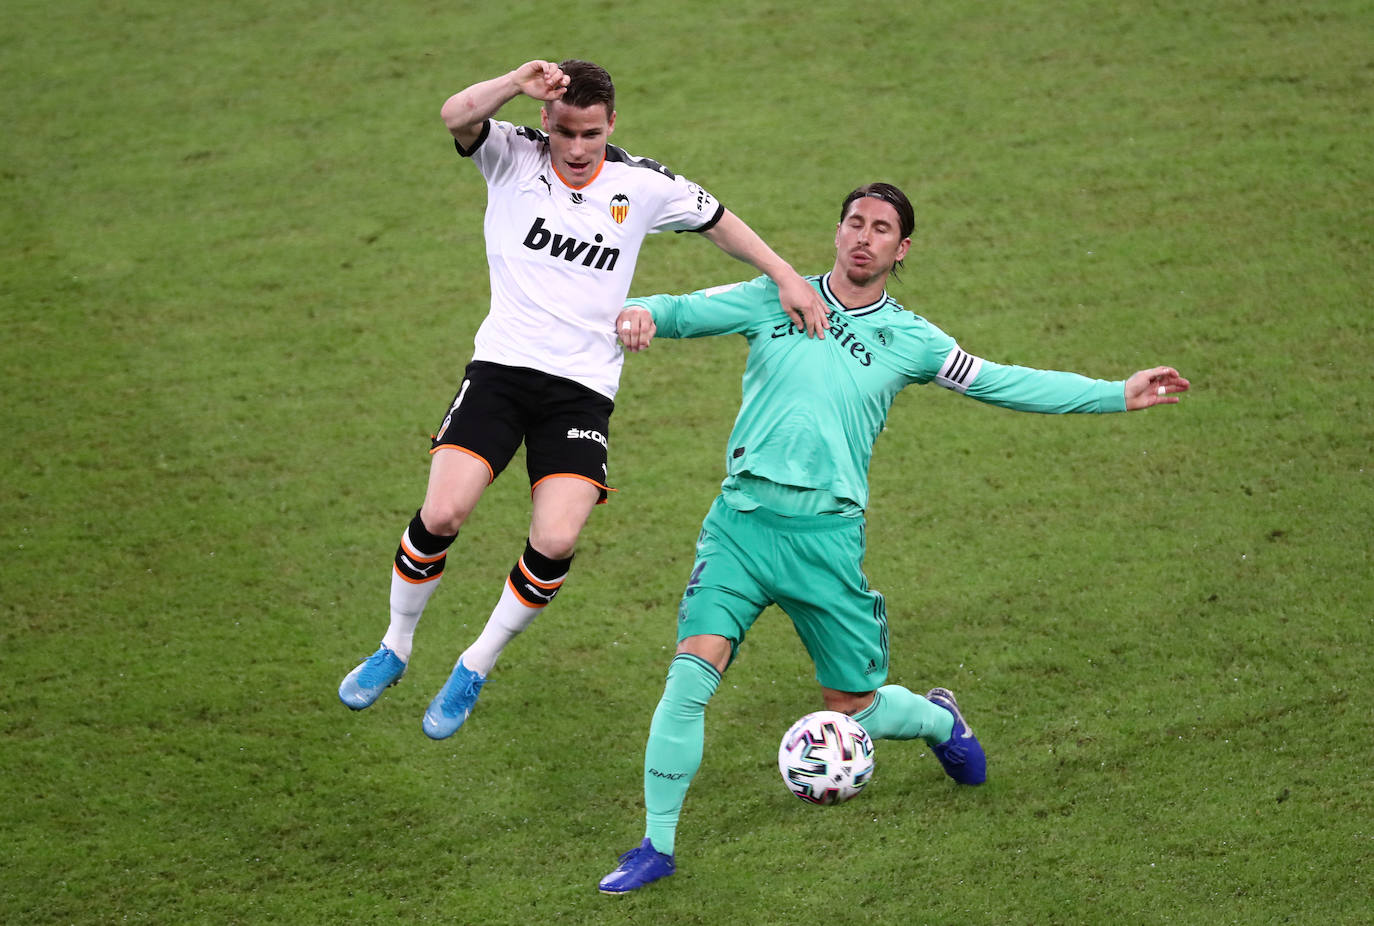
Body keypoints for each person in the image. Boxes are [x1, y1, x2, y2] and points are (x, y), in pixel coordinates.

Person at [597, 182, 1191, 893]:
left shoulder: (911, 339)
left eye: (881, 229)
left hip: (826, 542)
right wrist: (640, 312)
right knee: (689, 679)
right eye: (854, 222)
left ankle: (938, 722)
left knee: (853, 704)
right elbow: (680, 310)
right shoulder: (776, 294)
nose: (863, 236)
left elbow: (1001, 381)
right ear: (838, 231)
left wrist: (1114, 393)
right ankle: (656, 846)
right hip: (741, 528)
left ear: (900, 249)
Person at [337, 59, 829, 740]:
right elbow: (455, 115)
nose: (575, 149)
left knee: (558, 536)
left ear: (612, 126)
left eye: (590, 135)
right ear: (547, 119)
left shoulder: (643, 184)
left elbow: (718, 221)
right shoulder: (509, 154)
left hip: (581, 391)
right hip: (501, 372)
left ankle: (475, 665)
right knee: (444, 512)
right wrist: (514, 80)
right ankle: (395, 645)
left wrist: (784, 276)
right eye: (565, 132)